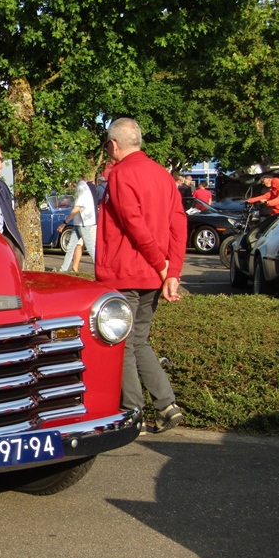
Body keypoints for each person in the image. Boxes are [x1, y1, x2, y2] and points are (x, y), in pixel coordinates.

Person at [97, 118, 187, 433]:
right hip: (153, 275)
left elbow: (133, 223)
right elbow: (178, 223)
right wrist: (172, 270)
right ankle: (166, 404)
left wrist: (162, 265)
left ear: (113, 145)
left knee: (121, 344)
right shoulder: (163, 175)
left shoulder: (121, 174)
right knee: (138, 341)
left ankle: (131, 413)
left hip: (126, 272)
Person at [57, 177, 98, 272]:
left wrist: (64, 223)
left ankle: (100, 268)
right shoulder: (82, 186)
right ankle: (63, 270)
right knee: (70, 247)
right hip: (79, 222)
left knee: (90, 247)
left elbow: (77, 208)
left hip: (84, 222)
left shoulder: (81, 188)